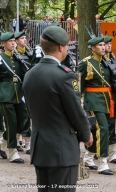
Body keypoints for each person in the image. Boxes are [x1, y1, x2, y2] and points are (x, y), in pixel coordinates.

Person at [22, 26, 92, 190]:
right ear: (61, 47)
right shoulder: (64, 75)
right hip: (62, 150)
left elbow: (32, 110)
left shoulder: (30, 74)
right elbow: (76, 112)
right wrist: (86, 135)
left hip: (40, 148)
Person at [78, 36, 116, 175]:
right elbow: (78, 84)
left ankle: (88, 158)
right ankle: (103, 162)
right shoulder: (85, 63)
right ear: (92, 48)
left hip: (107, 100)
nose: (102, 47)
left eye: (103, 45)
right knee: (103, 129)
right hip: (93, 100)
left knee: (96, 131)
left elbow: (112, 84)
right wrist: (80, 100)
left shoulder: (107, 63)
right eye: (99, 45)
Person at [0, 32, 27, 163]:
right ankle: (12, 151)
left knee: (21, 122)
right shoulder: (0, 58)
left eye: (13, 41)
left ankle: (4, 140)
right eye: (10, 41)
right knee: (11, 123)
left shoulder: (19, 58)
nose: (13, 43)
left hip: (19, 94)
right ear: (3, 44)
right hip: (5, 94)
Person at [103, 35, 116, 164]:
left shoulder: (113, 60)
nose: (109, 46)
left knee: (111, 125)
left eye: (110, 44)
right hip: (99, 97)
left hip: (112, 97)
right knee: (98, 126)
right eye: (106, 44)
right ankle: (96, 149)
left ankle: (112, 152)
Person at [15, 31, 32, 154]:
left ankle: (28, 141)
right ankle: (18, 138)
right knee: (22, 114)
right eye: (22, 38)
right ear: (16, 41)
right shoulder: (14, 55)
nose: (25, 40)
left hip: (30, 86)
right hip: (19, 87)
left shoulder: (30, 53)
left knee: (29, 114)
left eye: (25, 38)